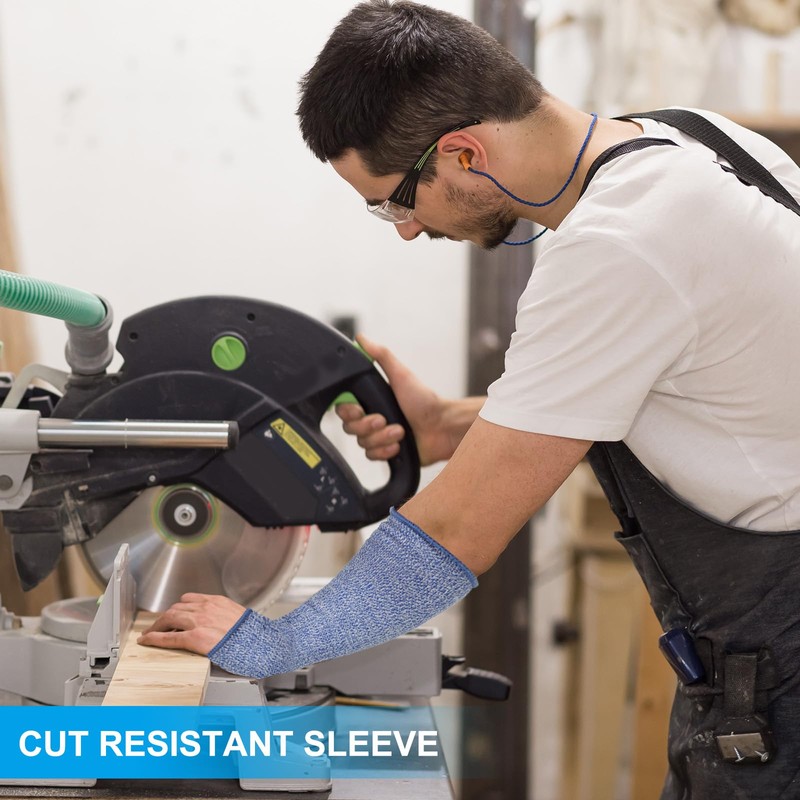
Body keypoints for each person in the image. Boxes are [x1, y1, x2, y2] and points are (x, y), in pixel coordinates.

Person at [139, 2, 800, 796]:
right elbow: (711, 379)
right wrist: (449, 425)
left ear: (463, 152)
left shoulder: (618, 244)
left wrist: (272, 645)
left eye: (394, 200)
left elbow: (454, 533)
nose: (404, 229)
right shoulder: (694, 140)